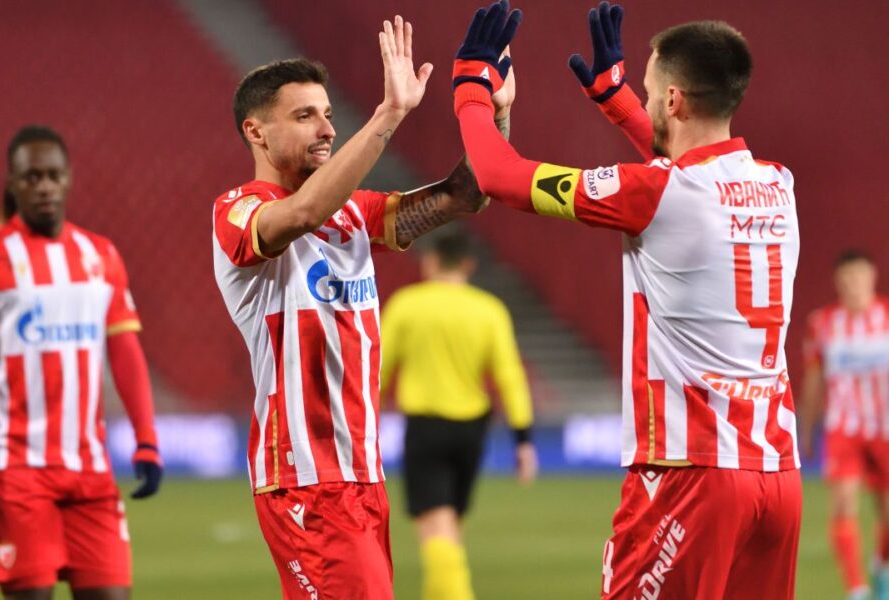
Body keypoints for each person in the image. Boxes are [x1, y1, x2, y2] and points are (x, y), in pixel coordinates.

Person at [452, 2, 801, 598]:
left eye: (648, 90)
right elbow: (690, 176)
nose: (646, 99)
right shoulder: (777, 183)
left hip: (690, 476)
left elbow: (497, 175)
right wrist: (617, 100)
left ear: (673, 101)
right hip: (778, 476)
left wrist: (471, 89)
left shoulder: (654, 192)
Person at [212, 12, 517, 598]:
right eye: (305, 116)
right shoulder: (239, 210)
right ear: (256, 132)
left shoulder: (355, 213)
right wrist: (389, 114)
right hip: (304, 477)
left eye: (328, 113)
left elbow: (463, 195)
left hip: (361, 475)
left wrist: (493, 112)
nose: (326, 128)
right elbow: (300, 215)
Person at [0, 125, 163, 600]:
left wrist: (147, 440)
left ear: (69, 179)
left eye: (53, 175)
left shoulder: (99, 255)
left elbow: (125, 352)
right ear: (13, 183)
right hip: (14, 468)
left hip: (90, 468)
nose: (44, 186)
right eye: (32, 176)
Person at [380, 227, 537, 600]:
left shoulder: (407, 305)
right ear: (468, 265)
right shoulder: (489, 310)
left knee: (435, 523)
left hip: (426, 426)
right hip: (472, 429)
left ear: (430, 263)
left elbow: (378, 370)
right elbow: (509, 376)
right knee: (450, 523)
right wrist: (524, 439)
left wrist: (361, 423)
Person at [800, 250, 889, 600]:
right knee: (844, 502)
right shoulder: (823, 323)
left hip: (884, 427)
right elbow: (813, 379)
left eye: (859, 277)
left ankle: (881, 566)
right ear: (839, 283)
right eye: (847, 279)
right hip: (843, 427)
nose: (853, 284)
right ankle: (857, 589)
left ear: (872, 277)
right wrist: (807, 428)